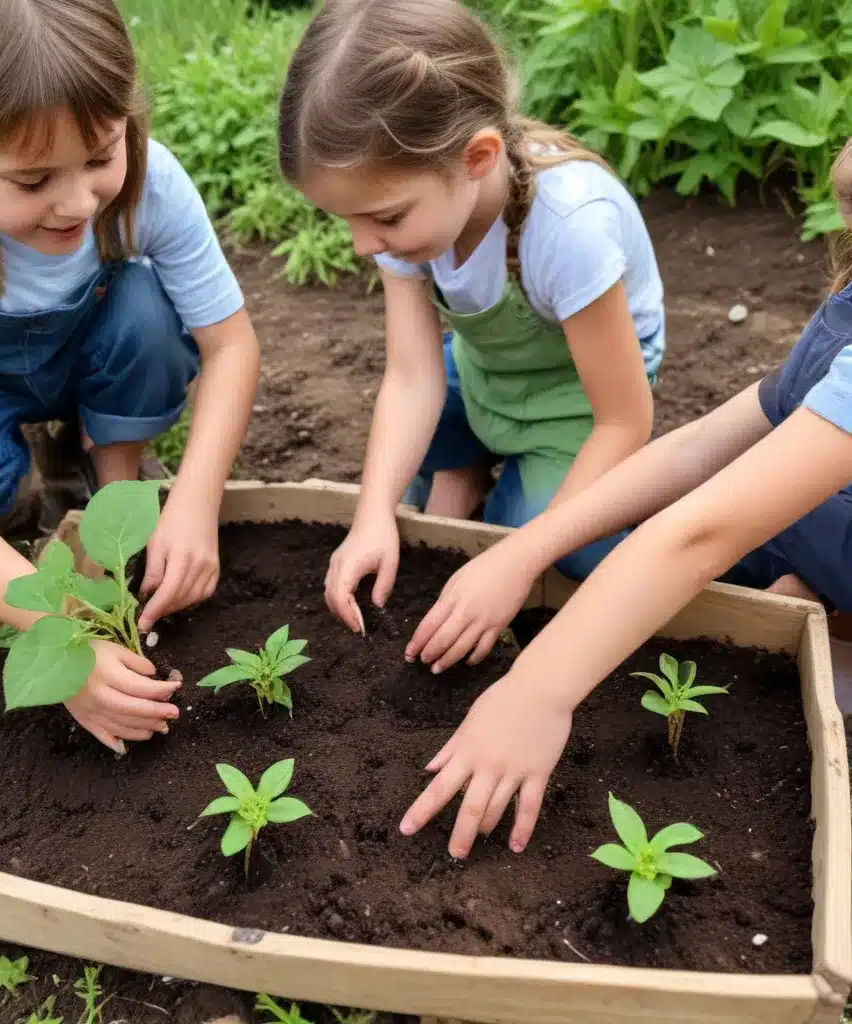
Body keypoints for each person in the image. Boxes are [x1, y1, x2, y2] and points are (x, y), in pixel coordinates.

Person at [391, 141, 852, 861]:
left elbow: (702, 534)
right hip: (825, 504)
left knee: (721, 588)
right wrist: (527, 548)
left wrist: (538, 690)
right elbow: (704, 446)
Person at [0, 0, 260, 755]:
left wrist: (194, 505)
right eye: (32, 181)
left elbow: (231, 346)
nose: (78, 201)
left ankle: (109, 487)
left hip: (82, 350)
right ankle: (1, 526)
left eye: (100, 156)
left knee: (148, 319)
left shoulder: (149, 182)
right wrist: (62, 637)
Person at [278, 0, 666, 634]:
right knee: (398, 449)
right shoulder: (406, 217)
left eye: (384, 218)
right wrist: (371, 513)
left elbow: (625, 419)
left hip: (583, 393)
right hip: (488, 367)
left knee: (570, 550)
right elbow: (411, 378)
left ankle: (486, 487)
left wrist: (523, 551)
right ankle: (460, 471)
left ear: (477, 158)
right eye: (345, 220)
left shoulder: (569, 229)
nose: (361, 244)